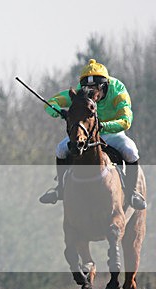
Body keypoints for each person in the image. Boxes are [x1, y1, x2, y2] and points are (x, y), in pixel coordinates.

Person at [39, 59, 147, 210]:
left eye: (94, 90)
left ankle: (132, 193)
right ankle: (60, 189)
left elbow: (126, 121)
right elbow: (51, 102)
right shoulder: (80, 92)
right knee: (61, 150)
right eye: (87, 89)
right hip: (87, 135)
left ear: (104, 86)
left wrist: (103, 126)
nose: (91, 94)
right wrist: (60, 112)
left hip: (113, 134)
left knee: (131, 151)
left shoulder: (118, 91)